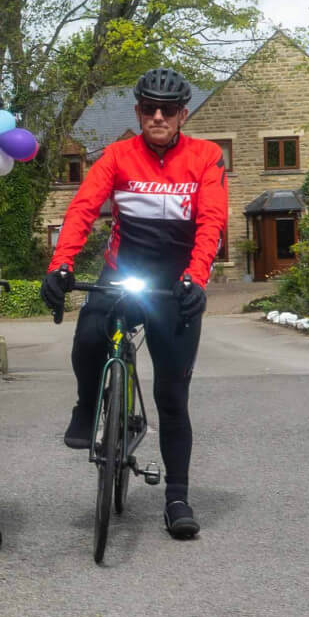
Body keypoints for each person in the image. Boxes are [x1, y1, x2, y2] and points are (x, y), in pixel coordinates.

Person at [41, 66, 228, 540]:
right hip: (124, 268)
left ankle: (178, 497)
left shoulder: (206, 157)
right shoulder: (119, 154)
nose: (158, 117)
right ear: (139, 111)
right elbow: (83, 206)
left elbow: (212, 222)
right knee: (87, 336)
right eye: (149, 108)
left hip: (176, 278)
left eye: (168, 110)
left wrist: (196, 278)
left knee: (172, 395)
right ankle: (87, 405)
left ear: (183, 114)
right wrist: (61, 264)